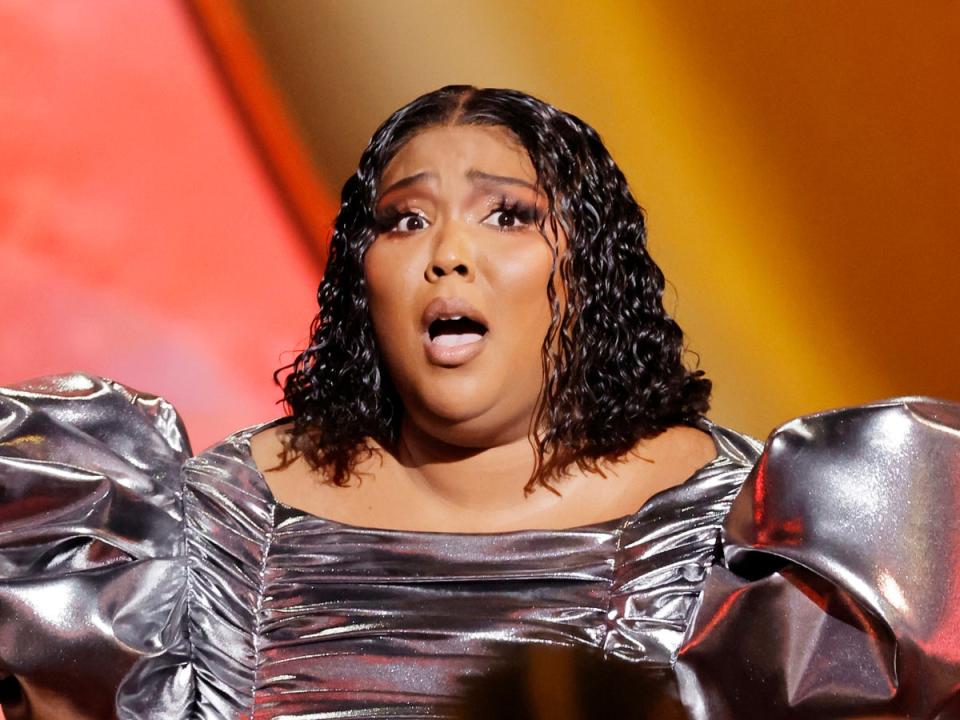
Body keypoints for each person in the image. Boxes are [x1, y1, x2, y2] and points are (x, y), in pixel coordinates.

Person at [0, 86, 957, 720]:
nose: (446, 252)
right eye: (405, 219)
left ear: (587, 271)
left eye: (508, 214)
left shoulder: (756, 540)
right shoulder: (189, 534)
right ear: (360, 278)